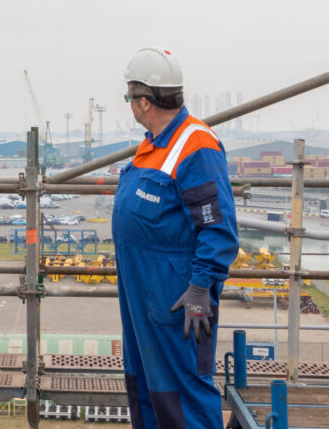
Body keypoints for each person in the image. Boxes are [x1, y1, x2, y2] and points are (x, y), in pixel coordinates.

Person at [111, 47, 239, 429]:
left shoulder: (195, 146)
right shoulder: (154, 144)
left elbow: (218, 229)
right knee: (148, 392)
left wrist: (201, 287)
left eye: (130, 97)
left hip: (176, 300)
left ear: (145, 101)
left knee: (182, 395)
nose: (130, 105)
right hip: (143, 299)